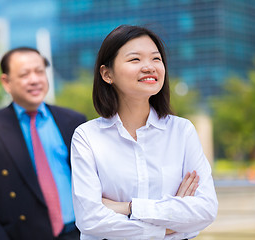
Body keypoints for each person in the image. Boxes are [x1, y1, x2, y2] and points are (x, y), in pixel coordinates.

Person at [71, 25, 218, 240]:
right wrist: (165, 226)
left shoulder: (182, 131)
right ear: (107, 73)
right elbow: (89, 219)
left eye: (156, 59)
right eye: (135, 59)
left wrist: (129, 208)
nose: (149, 67)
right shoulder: (87, 136)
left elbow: (205, 209)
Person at [0, 47, 87, 240]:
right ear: (6, 82)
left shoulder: (73, 121)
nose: (34, 79)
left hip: (78, 233)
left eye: (39, 71)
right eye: (24, 74)